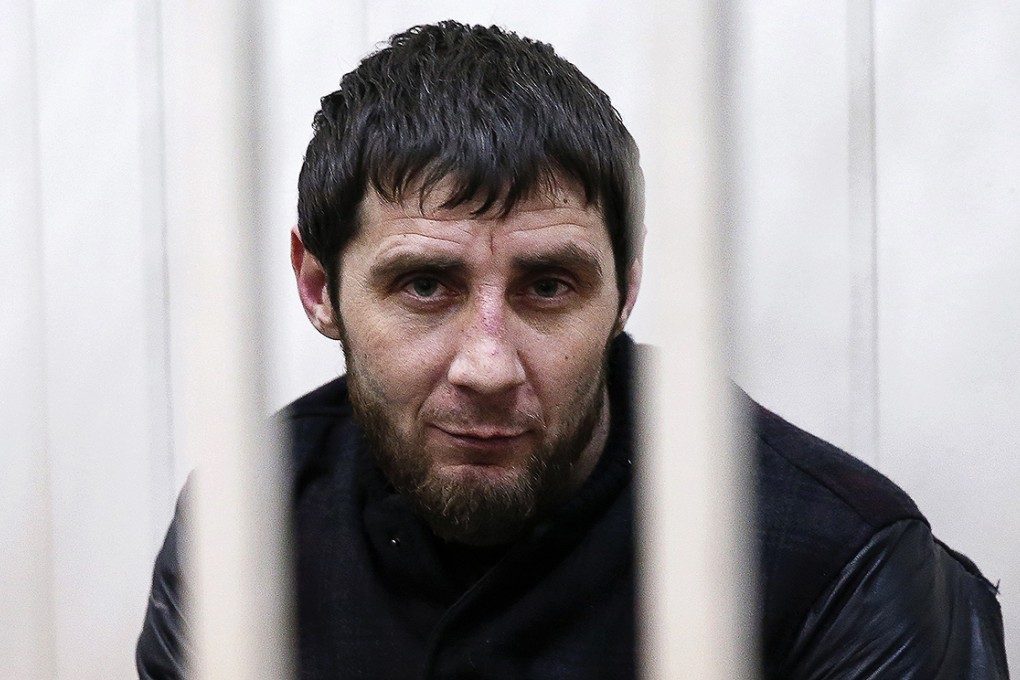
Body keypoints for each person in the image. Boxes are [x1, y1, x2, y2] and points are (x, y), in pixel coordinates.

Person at [137, 21, 1009, 679]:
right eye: (425, 286)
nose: (488, 366)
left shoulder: (838, 567)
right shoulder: (241, 526)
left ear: (624, 291)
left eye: (548, 287)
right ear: (320, 287)